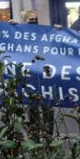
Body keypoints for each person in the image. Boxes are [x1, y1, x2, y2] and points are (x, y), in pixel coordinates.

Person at [21, 10, 55, 139]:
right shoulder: (20, 36)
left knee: (48, 109)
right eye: (31, 20)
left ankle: (48, 138)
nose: (34, 22)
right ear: (24, 22)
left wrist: (58, 31)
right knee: (33, 109)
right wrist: (11, 27)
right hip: (31, 78)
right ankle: (34, 138)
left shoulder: (43, 34)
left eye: (36, 19)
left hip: (45, 77)